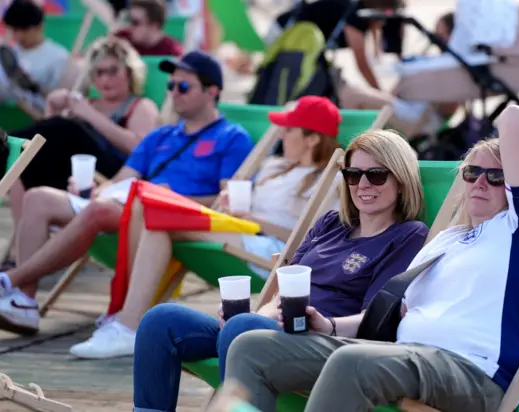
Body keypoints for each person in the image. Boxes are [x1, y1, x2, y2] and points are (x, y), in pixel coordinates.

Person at [224, 104, 519, 412]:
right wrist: (328, 326)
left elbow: (515, 119)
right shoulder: (447, 240)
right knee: (250, 347)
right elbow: (393, 314)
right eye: (471, 173)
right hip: (400, 354)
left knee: (352, 361)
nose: (480, 182)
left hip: (471, 370)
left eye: (496, 177)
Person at [131, 129, 430, 412]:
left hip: (328, 342)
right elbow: (285, 288)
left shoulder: (407, 235)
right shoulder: (330, 224)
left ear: (401, 179)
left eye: (375, 175)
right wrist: (253, 317)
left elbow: (377, 317)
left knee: (241, 330)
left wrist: (328, 325)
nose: (362, 185)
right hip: (275, 328)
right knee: (161, 321)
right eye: (353, 174)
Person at [68, 95, 345, 359]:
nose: (280, 134)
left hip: (270, 249)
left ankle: (127, 324)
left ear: (312, 138)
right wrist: (229, 205)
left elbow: (310, 240)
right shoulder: (276, 167)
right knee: (151, 215)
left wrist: (252, 219)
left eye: (288, 128)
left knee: (156, 214)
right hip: (240, 232)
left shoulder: (329, 181)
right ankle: (128, 317)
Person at [0, 51, 254, 336]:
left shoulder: (232, 137)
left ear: (212, 91)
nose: (174, 93)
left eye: (183, 87)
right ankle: (24, 301)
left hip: (171, 214)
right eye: (171, 87)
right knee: (39, 197)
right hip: (130, 204)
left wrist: (173, 199)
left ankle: (9, 280)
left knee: (100, 210)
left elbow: (227, 199)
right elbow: (122, 180)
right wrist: (93, 189)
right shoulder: (160, 136)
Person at [1, 36, 159, 270]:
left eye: (112, 71)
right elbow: (49, 147)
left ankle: (4, 149)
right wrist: (52, 110)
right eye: (99, 73)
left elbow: (141, 150)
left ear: (129, 72)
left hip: (116, 178)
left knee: (69, 128)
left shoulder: (140, 106)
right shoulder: (88, 104)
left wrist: (89, 115)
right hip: (75, 178)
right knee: (25, 163)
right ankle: (26, 262)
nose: (105, 79)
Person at [228, 0, 404, 89]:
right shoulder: (356, 15)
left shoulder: (360, 10)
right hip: (286, 30)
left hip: (292, 28)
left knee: (274, 71)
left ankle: (242, 65)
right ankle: (241, 65)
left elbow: (374, 36)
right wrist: (380, 92)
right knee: (272, 73)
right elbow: (362, 62)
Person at [340, 12, 460, 138]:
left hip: (417, 116)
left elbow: (449, 109)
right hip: (405, 106)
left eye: (440, 35)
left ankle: (346, 147)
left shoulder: (451, 66)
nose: (435, 41)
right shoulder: (438, 62)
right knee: (350, 92)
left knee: (352, 94)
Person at [0, 0, 69, 111]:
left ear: (40, 27)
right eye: (15, 30)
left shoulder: (58, 57)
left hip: (38, 119)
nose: (19, 36)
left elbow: (62, 101)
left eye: (25, 30)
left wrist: (34, 87)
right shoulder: (7, 54)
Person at [114, 0, 183, 57]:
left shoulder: (172, 52)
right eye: (129, 20)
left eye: (135, 22)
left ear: (154, 26)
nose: (130, 26)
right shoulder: (120, 40)